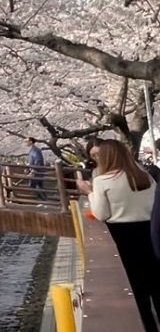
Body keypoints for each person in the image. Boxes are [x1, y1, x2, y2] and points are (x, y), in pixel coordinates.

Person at [77, 139, 160, 332]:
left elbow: (101, 213)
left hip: (123, 238)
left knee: (137, 293)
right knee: (157, 285)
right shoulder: (145, 177)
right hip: (151, 234)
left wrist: (89, 192)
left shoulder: (103, 181)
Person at [27, 137, 47, 202]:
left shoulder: (36, 150)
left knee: (34, 185)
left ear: (31, 142)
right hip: (36, 170)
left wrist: (33, 170)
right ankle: (43, 199)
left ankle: (43, 199)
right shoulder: (33, 150)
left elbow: (38, 161)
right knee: (38, 185)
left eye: (26, 141)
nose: (25, 143)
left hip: (37, 171)